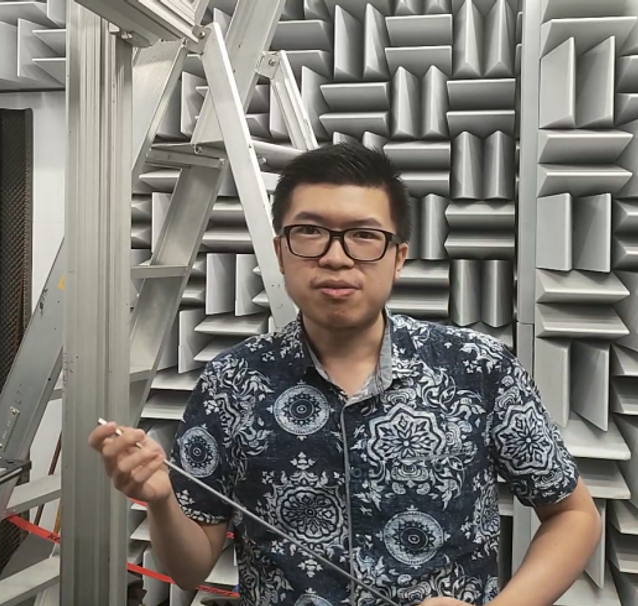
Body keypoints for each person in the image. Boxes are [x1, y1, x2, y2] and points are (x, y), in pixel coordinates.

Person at [88, 142, 601, 606]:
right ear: (280, 250)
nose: (336, 257)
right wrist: (159, 501)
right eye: (310, 232)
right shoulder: (231, 383)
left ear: (398, 257)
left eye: (363, 236)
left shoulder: (477, 368)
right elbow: (188, 568)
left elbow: (574, 516)